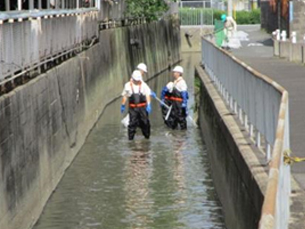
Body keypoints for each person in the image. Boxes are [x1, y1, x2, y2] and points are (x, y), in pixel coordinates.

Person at [121, 70, 152, 140]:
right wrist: (123, 105)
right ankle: (131, 139)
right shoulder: (128, 86)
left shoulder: (144, 85)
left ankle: (147, 137)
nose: (137, 81)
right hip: (133, 109)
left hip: (142, 108)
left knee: (145, 122)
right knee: (132, 124)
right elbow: (125, 96)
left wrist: (149, 104)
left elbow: (147, 95)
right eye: (136, 80)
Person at [160, 66, 188, 130]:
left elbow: (184, 93)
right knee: (173, 118)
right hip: (174, 103)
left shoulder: (182, 83)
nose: (173, 73)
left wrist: (184, 103)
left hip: (179, 104)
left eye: (175, 72)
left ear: (179, 73)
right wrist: (163, 99)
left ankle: (183, 133)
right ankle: (174, 133)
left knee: (181, 118)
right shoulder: (175, 82)